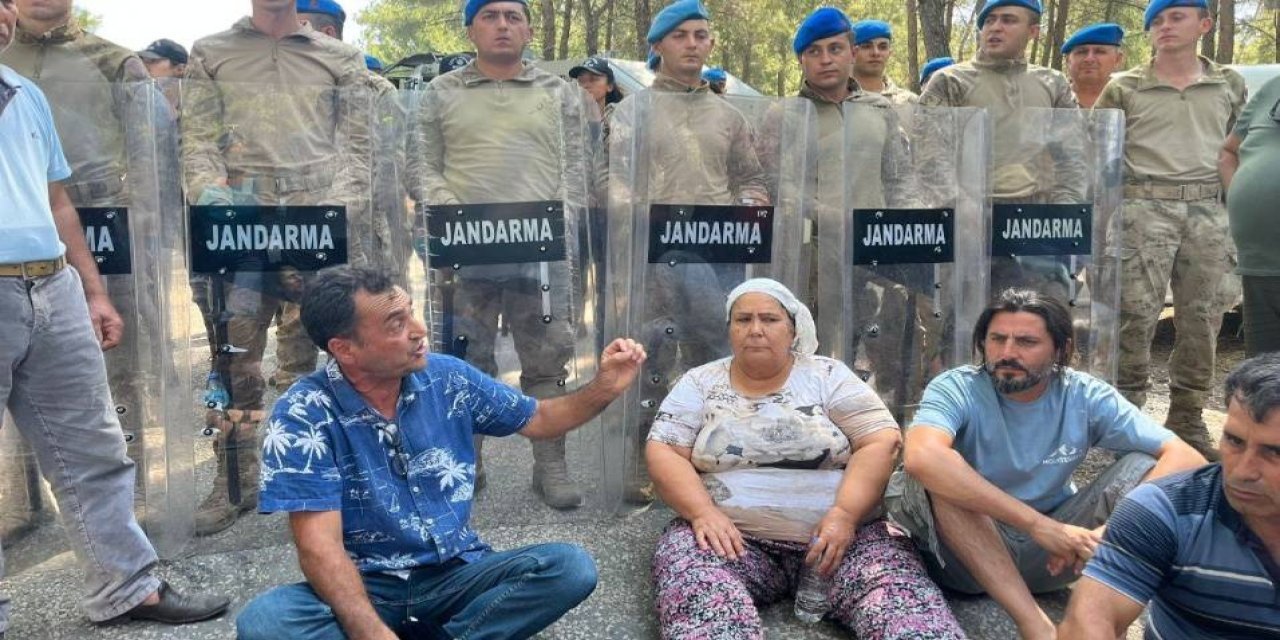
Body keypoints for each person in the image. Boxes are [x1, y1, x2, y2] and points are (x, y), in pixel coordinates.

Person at [234, 265, 646, 639]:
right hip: (366, 583)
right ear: (344, 349)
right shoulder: (303, 413)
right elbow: (319, 548)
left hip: (456, 573)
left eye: (411, 312)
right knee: (266, 622)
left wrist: (604, 387)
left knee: (569, 568)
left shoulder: (446, 377)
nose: (419, 330)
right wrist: (370, 632)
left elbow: (539, 419)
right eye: (397, 324)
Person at [0, 0, 230, 632]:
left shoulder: (23, 93)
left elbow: (56, 199)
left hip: (52, 285)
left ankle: (127, 590)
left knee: (93, 447)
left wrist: (93, 290)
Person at [647, 278, 965, 639]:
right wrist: (703, 513)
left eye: (769, 319)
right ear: (730, 329)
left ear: (793, 328)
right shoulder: (700, 382)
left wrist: (845, 515)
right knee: (696, 586)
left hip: (844, 539)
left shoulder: (826, 375)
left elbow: (880, 440)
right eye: (743, 320)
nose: (755, 330)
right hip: (731, 539)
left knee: (901, 602)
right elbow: (665, 449)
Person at [887, 288, 1206, 640]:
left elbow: (1188, 458)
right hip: (970, 558)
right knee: (939, 478)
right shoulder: (957, 387)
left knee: (1144, 466)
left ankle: (1101, 621)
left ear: (1061, 349)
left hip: (1060, 555)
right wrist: (1039, 526)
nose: (1007, 353)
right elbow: (921, 456)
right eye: (997, 339)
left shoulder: (1084, 394)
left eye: (1026, 342)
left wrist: (1107, 537)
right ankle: (1035, 625)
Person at [183, 0, 371, 535]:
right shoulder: (211, 53)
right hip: (238, 228)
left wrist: (330, 215)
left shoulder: (341, 57)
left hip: (316, 226)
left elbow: (357, 151)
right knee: (234, 357)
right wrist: (213, 200)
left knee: (343, 356)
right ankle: (235, 480)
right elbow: (196, 141)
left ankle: (348, 476)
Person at [408, 0, 593, 509]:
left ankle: (550, 467)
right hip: (464, 251)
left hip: (541, 252)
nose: (503, 25)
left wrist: (559, 218)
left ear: (529, 29)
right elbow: (421, 166)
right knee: (465, 358)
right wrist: (460, 220)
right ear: (471, 30)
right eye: (490, 16)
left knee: (549, 357)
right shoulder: (439, 93)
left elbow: (576, 167)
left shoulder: (559, 93)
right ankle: (468, 465)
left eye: (513, 16)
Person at [0, 0, 155, 543]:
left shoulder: (50, 84)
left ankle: (129, 552)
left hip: (74, 253)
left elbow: (63, 196)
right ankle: (17, 505)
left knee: (100, 413)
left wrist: (97, 286)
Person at [619, 0, 770, 504]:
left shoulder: (729, 116)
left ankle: (715, 455)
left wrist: (751, 207)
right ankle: (645, 460)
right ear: (658, 46)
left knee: (715, 353)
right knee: (652, 351)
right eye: (680, 35)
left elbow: (750, 179)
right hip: (654, 256)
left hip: (716, 258)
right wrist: (631, 213)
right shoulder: (632, 111)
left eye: (700, 35)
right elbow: (611, 179)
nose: (691, 44)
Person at [1096, 0, 1247, 461]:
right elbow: (1099, 156)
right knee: (1133, 318)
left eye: (1176, 17)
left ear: (1204, 24)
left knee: (1202, 320)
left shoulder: (1228, 83)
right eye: (1156, 21)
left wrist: (1235, 213)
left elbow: (1240, 149)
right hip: (1142, 207)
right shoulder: (1125, 87)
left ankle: (1186, 417)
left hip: (1207, 209)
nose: (1164, 27)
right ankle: (1128, 420)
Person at [1059, 352, 1280, 639]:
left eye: (1274, 452)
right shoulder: (1164, 510)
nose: (1243, 471)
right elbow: (1086, 624)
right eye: (1234, 441)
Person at [1221, 75, 1280, 357]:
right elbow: (1229, 151)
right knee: (1263, 379)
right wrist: (1240, 199)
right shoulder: (1273, 87)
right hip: (1258, 265)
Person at [850, 19, 916, 106]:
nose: (876, 53)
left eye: (882, 47)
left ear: (889, 53)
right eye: (866, 46)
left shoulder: (910, 102)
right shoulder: (837, 100)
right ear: (852, 53)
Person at [1061, 23, 1124, 108]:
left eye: (1100, 51)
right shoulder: (1053, 97)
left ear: (1117, 59)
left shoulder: (1129, 100)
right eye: (1081, 52)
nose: (1089, 59)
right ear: (1068, 61)